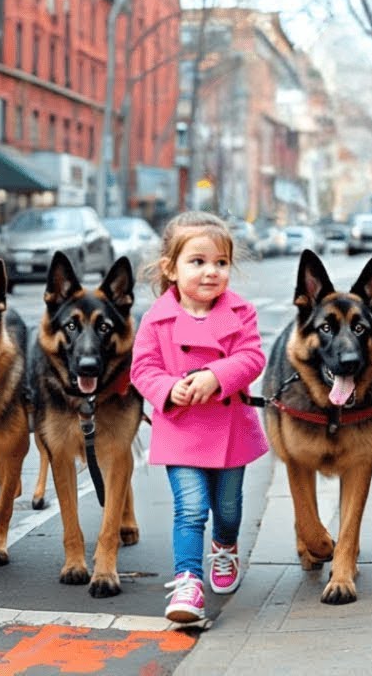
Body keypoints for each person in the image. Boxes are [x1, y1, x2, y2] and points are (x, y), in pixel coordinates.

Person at [130, 211, 269, 623]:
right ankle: (188, 582)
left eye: (221, 262)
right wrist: (167, 389)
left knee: (227, 508)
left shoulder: (240, 312)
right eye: (198, 261)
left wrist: (216, 376)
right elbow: (143, 369)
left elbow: (252, 357)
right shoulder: (156, 319)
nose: (211, 271)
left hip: (231, 429)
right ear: (170, 268)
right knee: (190, 509)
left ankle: (225, 547)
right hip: (182, 430)